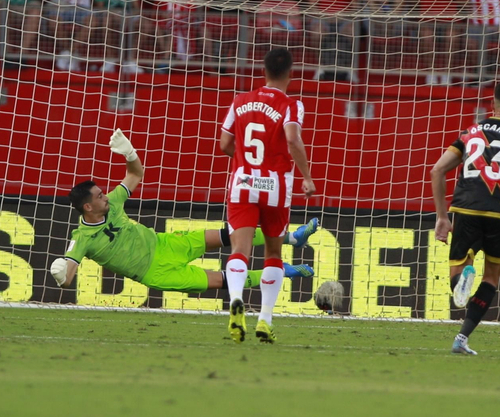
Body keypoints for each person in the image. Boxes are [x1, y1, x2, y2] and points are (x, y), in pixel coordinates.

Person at [50, 130, 318, 295]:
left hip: (164, 243)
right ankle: (280, 271)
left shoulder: (114, 202)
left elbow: (135, 174)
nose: (105, 195)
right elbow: (68, 275)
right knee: (222, 280)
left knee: (229, 232)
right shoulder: (82, 236)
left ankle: (293, 238)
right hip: (155, 272)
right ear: (88, 207)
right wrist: (60, 272)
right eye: (99, 196)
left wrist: (129, 153)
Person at [429, 80, 500, 356]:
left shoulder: (470, 133)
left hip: (465, 208)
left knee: (459, 274)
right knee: (491, 277)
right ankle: (462, 338)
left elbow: (437, 170)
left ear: (492, 104)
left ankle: (461, 284)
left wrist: (442, 217)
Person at [217, 46, 318, 344]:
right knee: (273, 253)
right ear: (290, 73)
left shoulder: (240, 101)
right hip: (275, 185)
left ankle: (236, 300)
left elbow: (225, 143)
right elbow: (291, 137)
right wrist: (307, 176)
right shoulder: (291, 104)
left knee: (240, 250)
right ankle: (265, 319)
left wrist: (245, 164)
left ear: (263, 70)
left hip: (243, 181)